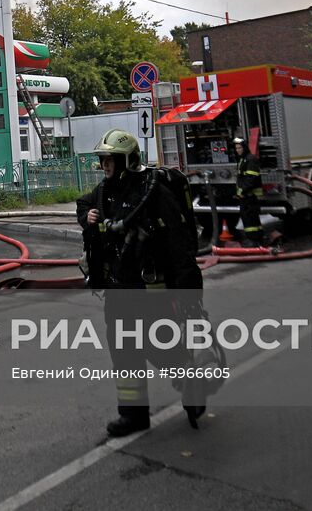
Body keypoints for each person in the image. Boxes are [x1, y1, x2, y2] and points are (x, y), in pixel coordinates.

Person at [77, 128, 205, 435]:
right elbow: (84, 205)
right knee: (123, 351)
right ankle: (134, 415)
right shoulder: (105, 192)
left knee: (158, 347)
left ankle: (190, 382)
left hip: (151, 290)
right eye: (102, 160)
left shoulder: (153, 192)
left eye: (109, 160)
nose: (104, 166)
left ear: (127, 161)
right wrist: (87, 219)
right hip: (119, 288)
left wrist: (188, 293)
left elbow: (177, 243)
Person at [233, 136, 267, 247]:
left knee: (250, 219)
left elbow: (251, 179)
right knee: (250, 219)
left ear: (245, 148)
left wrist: (242, 191)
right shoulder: (243, 159)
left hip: (249, 195)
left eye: (239, 148)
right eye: (236, 148)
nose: (238, 150)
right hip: (245, 196)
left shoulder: (250, 159)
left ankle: (254, 241)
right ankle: (256, 239)